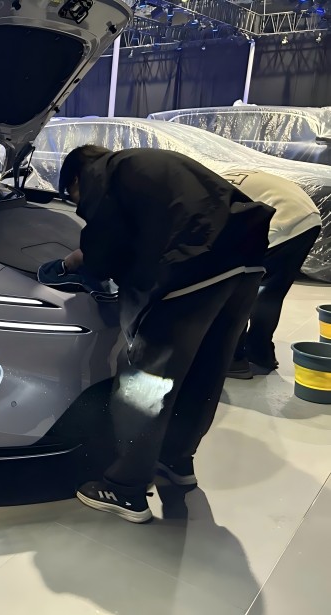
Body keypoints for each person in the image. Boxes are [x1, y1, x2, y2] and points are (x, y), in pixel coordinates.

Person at [50, 145, 273, 524]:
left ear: (75, 177)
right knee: (205, 369)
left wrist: (75, 261)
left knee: (146, 379)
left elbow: (104, 248)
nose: (77, 203)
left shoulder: (102, 171)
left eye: (72, 196)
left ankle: (125, 487)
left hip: (192, 264)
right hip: (244, 261)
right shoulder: (145, 164)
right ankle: (176, 459)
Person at [218, 170, 321, 378]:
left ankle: (234, 359)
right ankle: (260, 354)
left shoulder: (199, 194)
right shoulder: (213, 177)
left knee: (234, 290)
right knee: (270, 292)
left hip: (281, 220)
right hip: (308, 218)